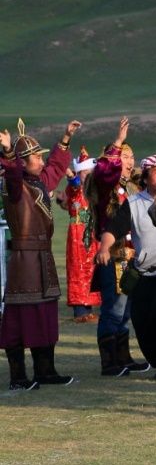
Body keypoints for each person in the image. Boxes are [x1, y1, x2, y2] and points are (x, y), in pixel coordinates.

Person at [96, 154, 156, 380]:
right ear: (146, 177)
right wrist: (104, 249)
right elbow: (114, 228)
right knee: (140, 318)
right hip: (145, 269)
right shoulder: (134, 203)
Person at [2, 119, 82, 390]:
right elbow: (12, 175)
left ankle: (45, 371)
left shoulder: (38, 182)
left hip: (43, 259)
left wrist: (66, 137)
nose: (41, 161)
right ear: (22, 162)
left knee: (45, 314)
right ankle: (18, 377)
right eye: (36, 157)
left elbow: (57, 168)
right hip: (24, 262)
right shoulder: (14, 187)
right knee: (21, 317)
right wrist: (8, 152)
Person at [86, 117, 150, 377]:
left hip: (131, 257)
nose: (130, 161)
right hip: (112, 256)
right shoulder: (106, 187)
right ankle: (109, 362)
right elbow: (103, 170)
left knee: (125, 311)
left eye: (132, 156)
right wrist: (118, 142)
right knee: (112, 309)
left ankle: (123, 356)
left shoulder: (131, 188)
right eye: (124, 156)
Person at [58, 148, 100, 322]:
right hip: (78, 235)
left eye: (90, 172)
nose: (88, 175)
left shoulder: (95, 190)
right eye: (84, 172)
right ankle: (80, 311)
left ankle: (89, 308)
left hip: (93, 232)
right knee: (78, 271)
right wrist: (69, 174)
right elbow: (74, 185)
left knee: (93, 270)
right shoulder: (75, 189)